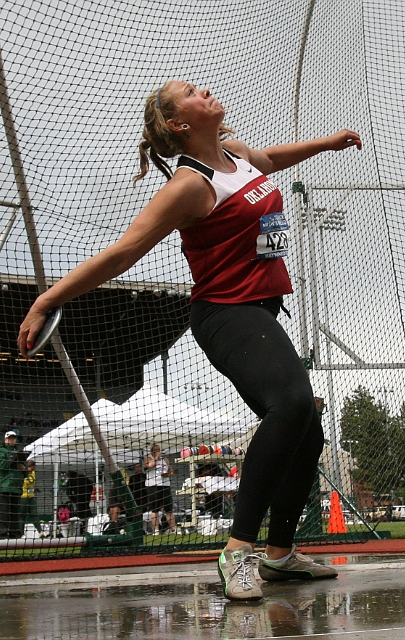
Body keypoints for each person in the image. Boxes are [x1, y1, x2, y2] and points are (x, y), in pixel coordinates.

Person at [18, 80, 361, 599]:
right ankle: (237, 550)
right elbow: (122, 252)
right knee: (292, 404)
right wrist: (47, 300)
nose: (206, 92)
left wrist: (326, 143)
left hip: (262, 311)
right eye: (192, 93)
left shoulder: (235, 153)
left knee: (305, 431)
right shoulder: (188, 186)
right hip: (226, 315)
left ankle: (280, 555)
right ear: (179, 123)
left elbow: (269, 158)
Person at [0, 430, 27, 539]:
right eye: (9, 438)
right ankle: (2, 535)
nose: (11, 440)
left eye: (13, 438)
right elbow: (0, 465)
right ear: (5, 439)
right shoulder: (0, 452)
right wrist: (13, 460)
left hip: (16, 488)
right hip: (3, 487)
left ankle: (14, 535)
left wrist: (23, 468)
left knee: (15, 514)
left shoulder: (19, 452)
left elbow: (26, 473)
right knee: (3, 513)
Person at [143, 444, 177, 534]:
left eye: (158, 450)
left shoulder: (165, 459)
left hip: (165, 485)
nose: (157, 451)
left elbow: (171, 471)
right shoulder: (148, 458)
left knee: (168, 509)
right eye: (155, 450)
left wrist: (167, 474)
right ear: (151, 451)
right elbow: (150, 466)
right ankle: (156, 530)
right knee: (154, 509)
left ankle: (174, 529)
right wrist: (156, 457)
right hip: (153, 485)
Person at [20, 459, 46, 538]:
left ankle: (40, 531)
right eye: (31, 466)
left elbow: (31, 483)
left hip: (31, 496)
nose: (32, 468)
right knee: (22, 515)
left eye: (33, 466)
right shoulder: (22, 473)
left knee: (34, 514)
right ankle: (21, 534)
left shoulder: (33, 473)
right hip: (23, 497)